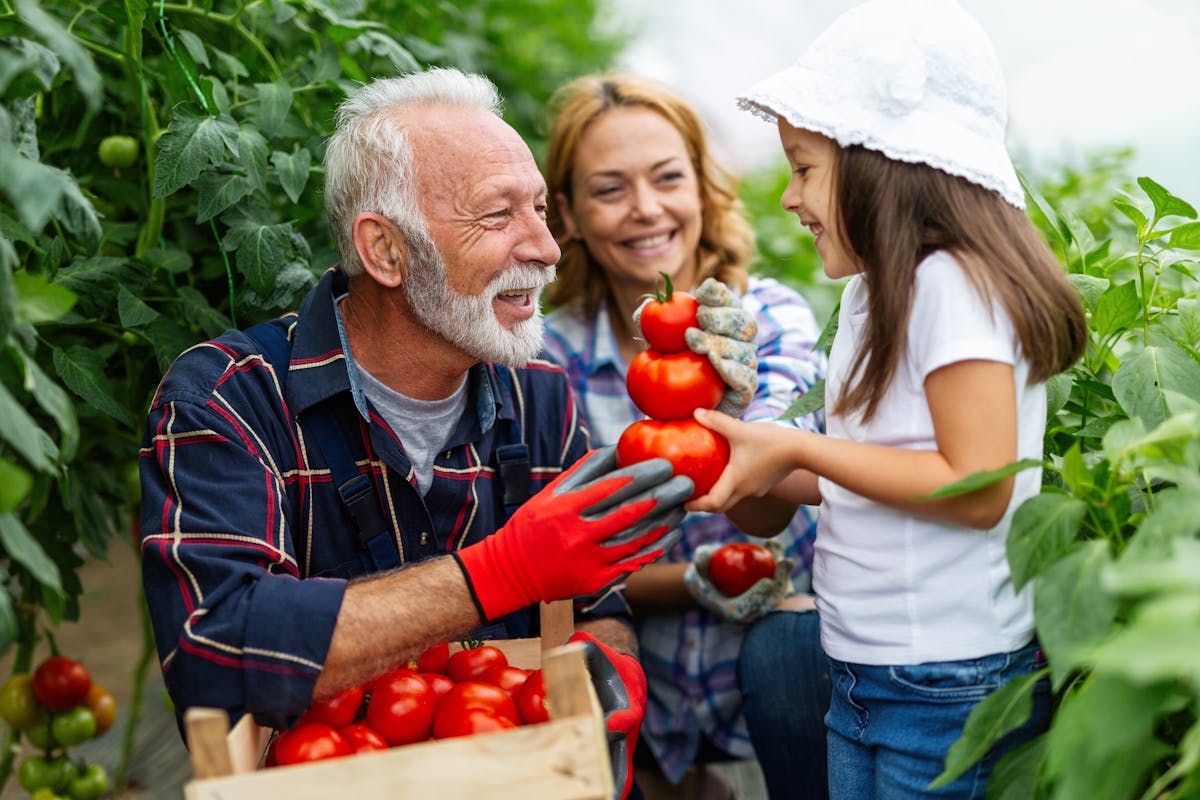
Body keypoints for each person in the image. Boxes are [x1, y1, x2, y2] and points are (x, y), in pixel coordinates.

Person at [137, 67, 697, 799]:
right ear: (387, 251)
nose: (548, 247)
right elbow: (215, 649)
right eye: (498, 216)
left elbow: (597, 604)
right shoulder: (231, 399)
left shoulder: (540, 393)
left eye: (539, 209)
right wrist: (500, 573)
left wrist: (605, 661)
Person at [689, 1, 1088, 797]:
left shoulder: (956, 286)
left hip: (945, 683)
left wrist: (798, 446)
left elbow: (978, 485)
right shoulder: (878, 294)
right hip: (868, 672)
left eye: (804, 168)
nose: (789, 198)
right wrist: (755, 464)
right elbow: (876, 472)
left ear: (885, 161)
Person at [539, 72, 830, 799]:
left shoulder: (774, 320)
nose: (646, 210)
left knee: (788, 665)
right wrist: (695, 585)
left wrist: (732, 407)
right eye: (609, 190)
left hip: (778, 698)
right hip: (642, 706)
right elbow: (554, 571)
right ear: (568, 215)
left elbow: (767, 514)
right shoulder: (549, 359)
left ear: (702, 187)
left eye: (669, 178)